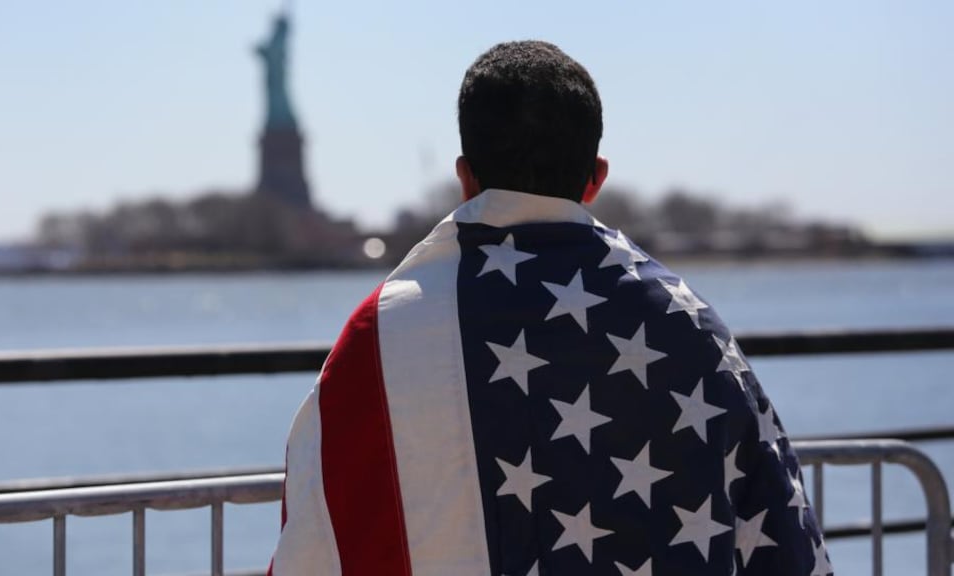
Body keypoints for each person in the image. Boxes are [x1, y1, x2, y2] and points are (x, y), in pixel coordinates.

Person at [268, 41, 832, 576]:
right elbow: (782, 536)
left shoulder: (381, 335)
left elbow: (317, 538)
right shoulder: (690, 327)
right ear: (596, 179)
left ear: (465, 178)